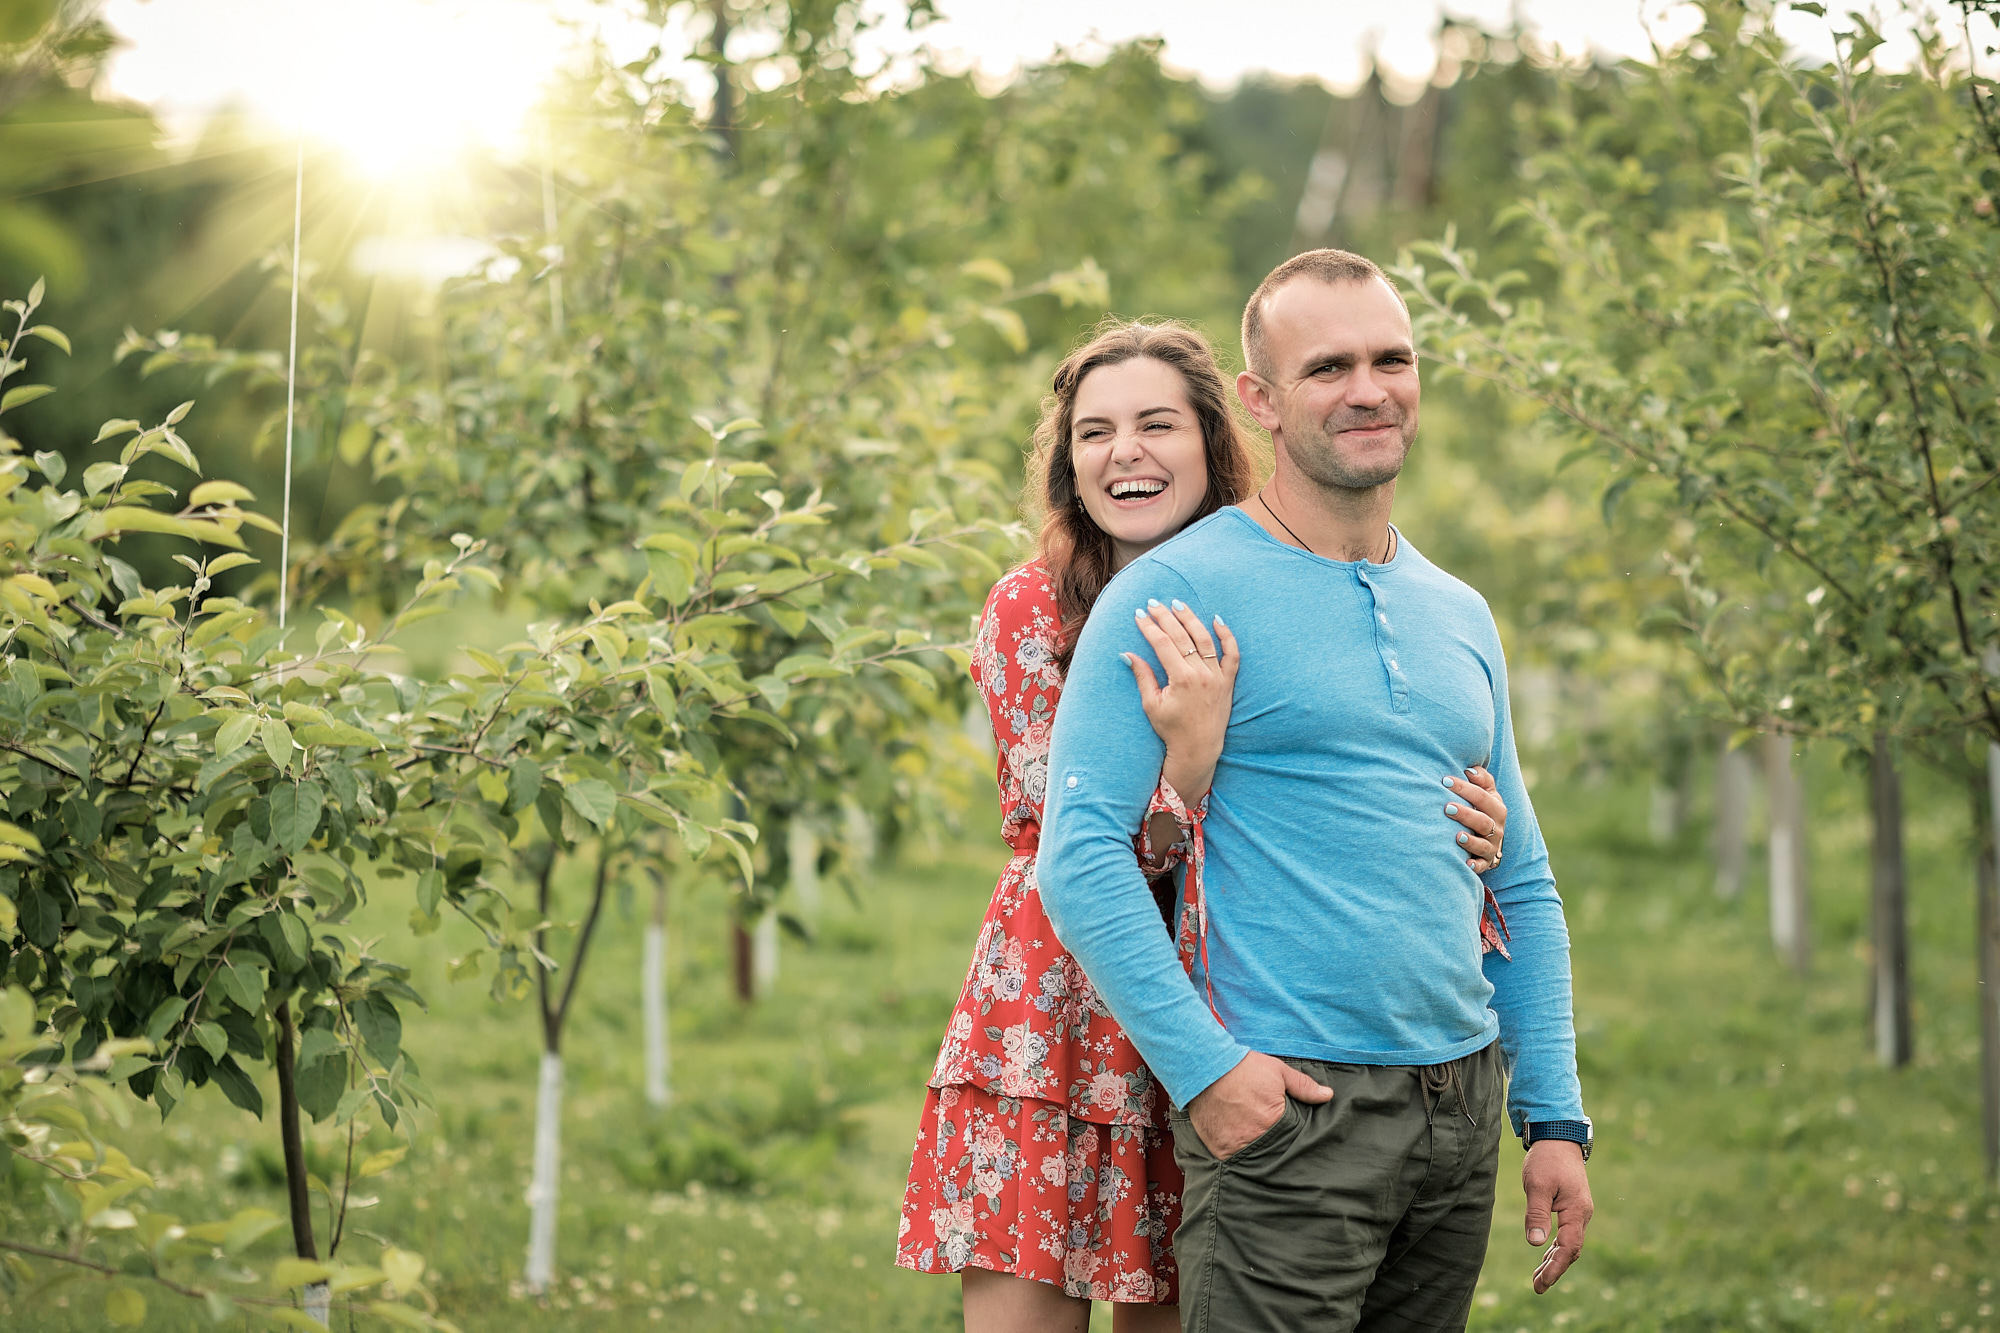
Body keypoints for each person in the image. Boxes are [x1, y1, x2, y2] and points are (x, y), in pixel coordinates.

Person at [895, 320, 1513, 1333]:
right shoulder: (1030, 609)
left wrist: (1458, 814)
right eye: (1091, 432)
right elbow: (1074, 845)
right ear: (1066, 463)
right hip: (1061, 1008)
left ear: (1213, 442)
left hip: (1221, 1008)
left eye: (1154, 424)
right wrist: (1188, 764)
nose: (1122, 451)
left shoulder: (1263, 589)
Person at [1038, 250, 1594, 1333]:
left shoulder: (1457, 612)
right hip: (1289, 1108)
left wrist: (1552, 1115)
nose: (1368, 389)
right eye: (1327, 366)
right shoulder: (1175, 590)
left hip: (1456, 1108)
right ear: (1259, 400)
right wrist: (1208, 1074)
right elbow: (1080, 853)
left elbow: (1519, 879)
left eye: (1392, 359)